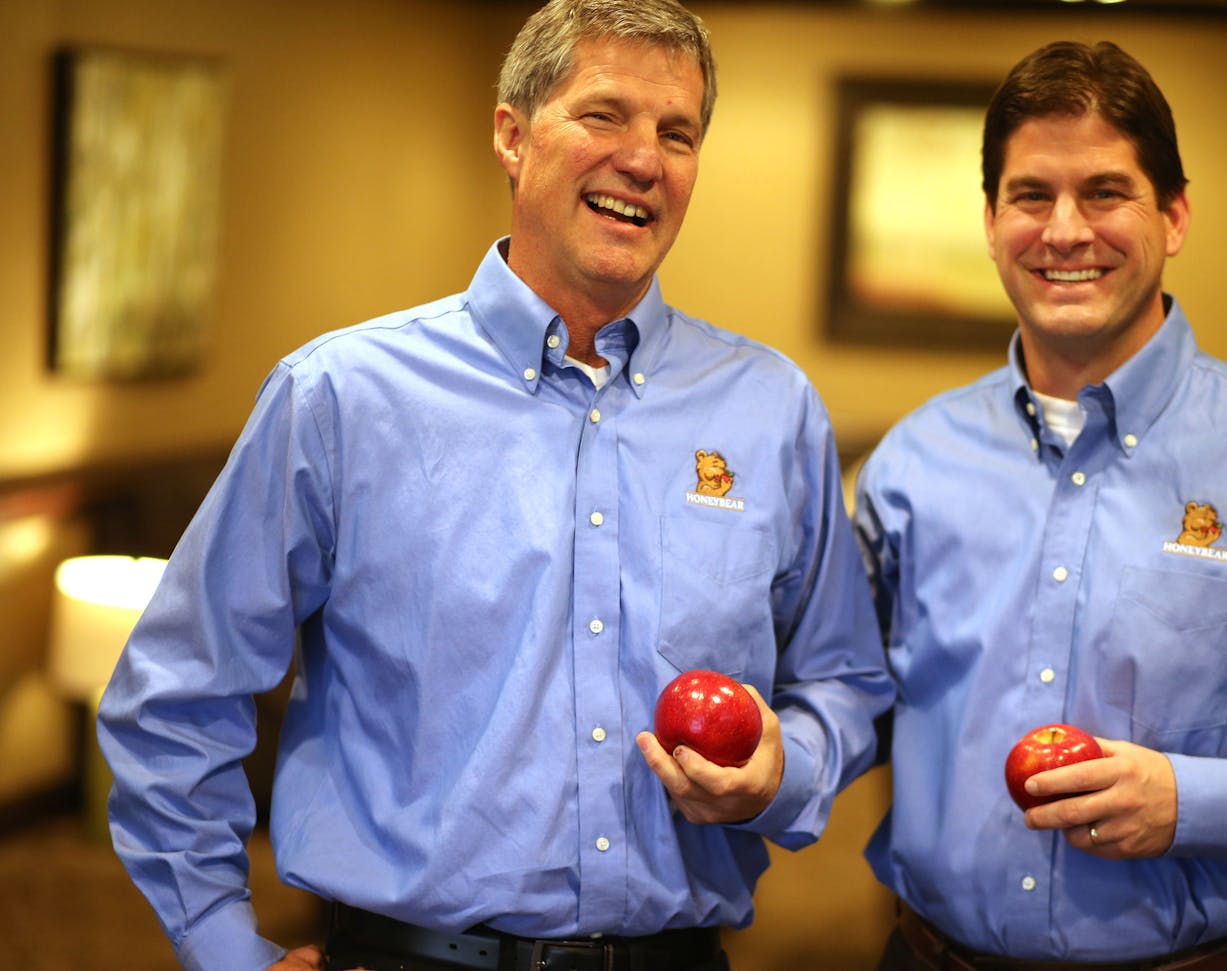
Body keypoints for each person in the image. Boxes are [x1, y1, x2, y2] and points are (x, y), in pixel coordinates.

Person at [97, 3, 893, 970]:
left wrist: (782, 774)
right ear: (511, 134)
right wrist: (223, 943)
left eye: (676, 133)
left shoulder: (771, 410)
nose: (644, 158)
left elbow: (845, 677)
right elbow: (177, 691)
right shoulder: (341, 398)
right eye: (605, 115)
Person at [854, 39, 1227, 971]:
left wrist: (1197, 800)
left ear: (1175, 214)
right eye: (1031, 195)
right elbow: (851, 697)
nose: (1065, 230)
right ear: (991, 220)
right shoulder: (911, 464)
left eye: (1105, 192)